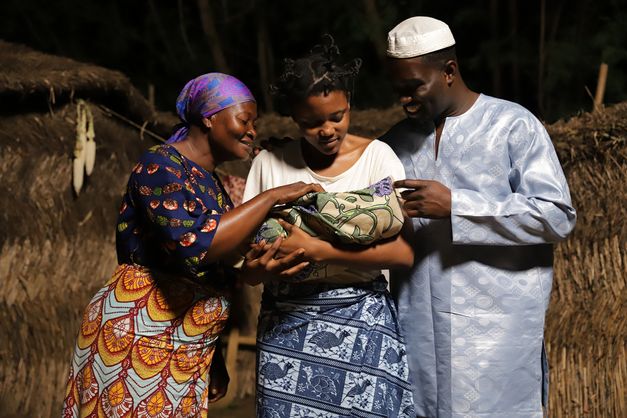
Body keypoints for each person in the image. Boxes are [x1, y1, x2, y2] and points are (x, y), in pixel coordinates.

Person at [61, 73, 321, 418]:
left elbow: (220, 267)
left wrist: (214, 357)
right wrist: (271, 197)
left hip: (188, 345)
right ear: (210, 119)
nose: (252, 131)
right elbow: (198, 242)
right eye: (245, 120)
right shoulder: (159, 165)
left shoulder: (211, 185)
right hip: (138, 338)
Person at [381, 16, 577, 418]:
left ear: (449, 71)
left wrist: (457, 205)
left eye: (415, 86)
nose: (406, 100)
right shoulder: (393, 143)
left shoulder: (513, 125)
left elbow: (557, 215)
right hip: (415, 326)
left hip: (495, 334)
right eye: (399, 90)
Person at [242, 36, 417, 417]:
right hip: (286, 327)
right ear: (293, 116)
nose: (327, 130)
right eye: (311, 122)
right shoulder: (270, 163)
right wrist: (259, 270)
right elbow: (248, 268)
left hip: (364, 325)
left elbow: (404, 253)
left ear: (349, 105)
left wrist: (319, 250)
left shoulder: (377, 158)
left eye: (337, 116)